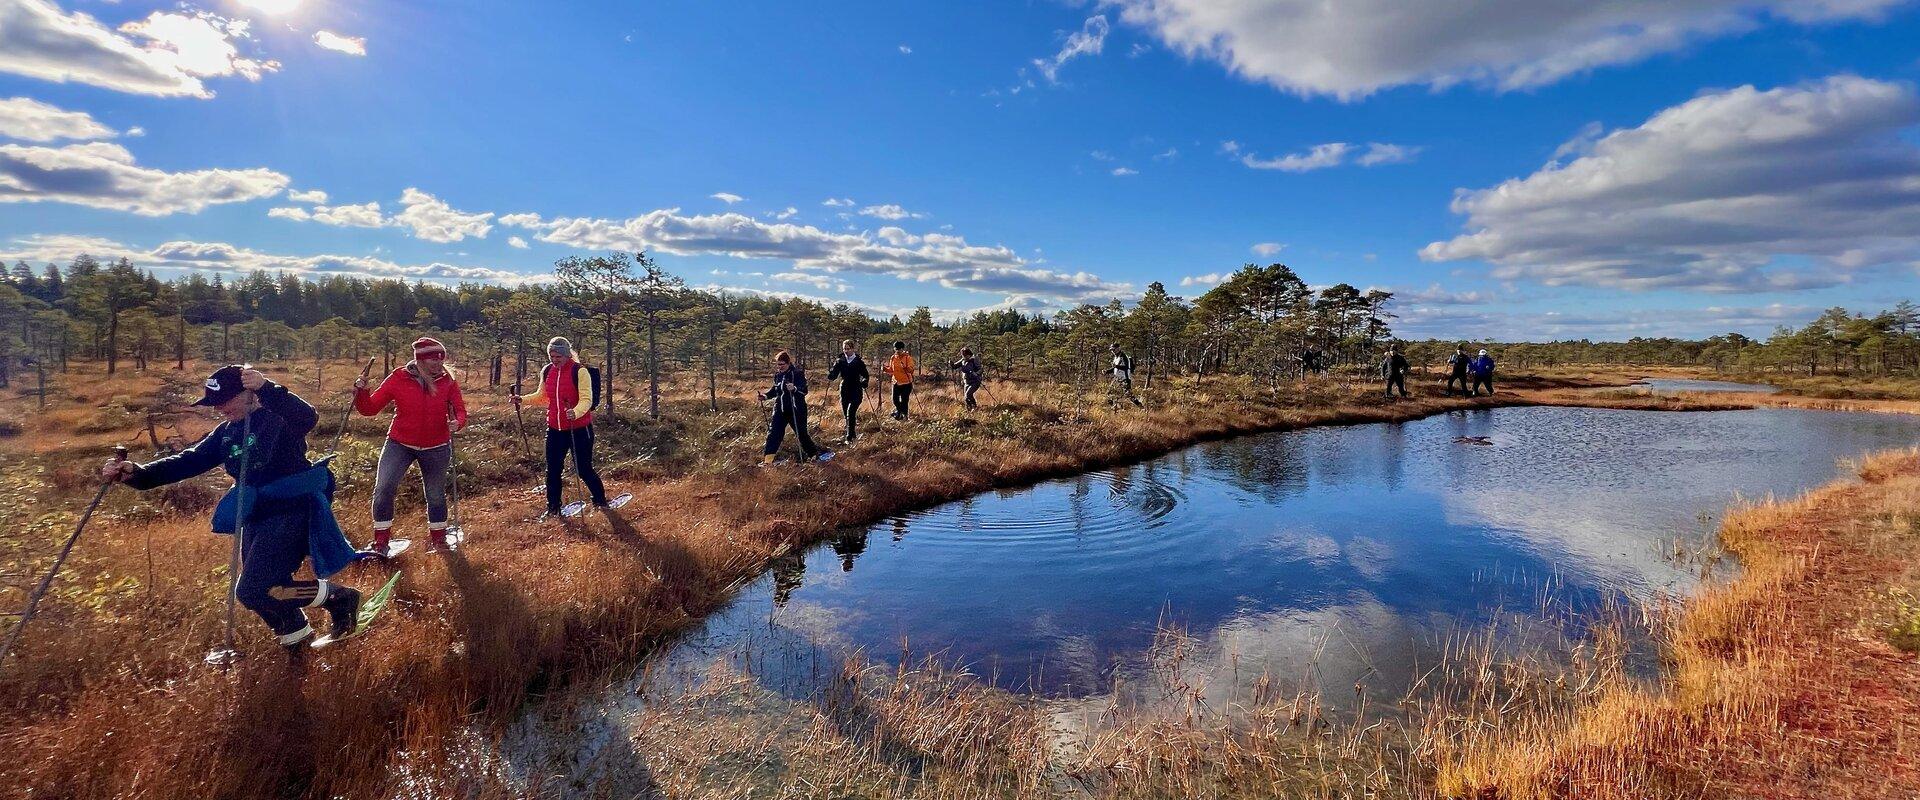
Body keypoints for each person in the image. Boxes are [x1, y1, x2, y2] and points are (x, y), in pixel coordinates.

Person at [101, 365, 361, 661]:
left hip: (292, 510)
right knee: (260, 590)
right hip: (256, 515)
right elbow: (188, 461)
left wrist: (266, 387)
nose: (218, 408)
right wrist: (136, 474)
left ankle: (340, 598)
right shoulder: (226, 432)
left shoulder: (278, 418)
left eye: (224, 400)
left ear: (248, 393)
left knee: (255, 590)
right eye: (213, 402)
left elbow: (307, 416)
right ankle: (298, 643)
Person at [355, 337, 467, 554]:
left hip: (437, 445)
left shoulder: (448, 381)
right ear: (420, 359)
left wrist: (457, 422)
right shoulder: (399, 377)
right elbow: (369, 409)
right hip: (400, 443)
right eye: (433, 358)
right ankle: (380, 542)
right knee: (384, 488)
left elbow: (460, 410)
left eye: (441, 358)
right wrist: (361, 392)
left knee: (435, 494)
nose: (438, 363)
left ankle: (439, 540)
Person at [512, 337, 609, 520]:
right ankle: (553, 508)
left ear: (566, 354)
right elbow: (543, 397)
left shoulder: (579, 371)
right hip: (555, 429)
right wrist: (522, 399)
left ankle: (600, 501)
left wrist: (576, 412)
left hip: (579, 428)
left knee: (583, 468)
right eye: (551, 356)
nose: (554, 360)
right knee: (553, 470)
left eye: (557, 356)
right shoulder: (547, 370)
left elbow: (587, 400)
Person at [758, 350, 827, 464]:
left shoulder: (797, 373)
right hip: (780, 409)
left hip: (796, 409)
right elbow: (775, 390)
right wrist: (765, 396)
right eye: (778, 364)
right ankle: (767, 461)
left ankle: (814, 456)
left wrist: (794, 389)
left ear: (788, 363)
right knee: (774, 434)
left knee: (802, 434)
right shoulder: (778, 375)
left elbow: (804, 390)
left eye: (782, 364)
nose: (779, 367)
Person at [825, 339, 869, 444]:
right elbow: (834, 374)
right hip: (844, 388)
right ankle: (853, 435)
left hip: (856, 388)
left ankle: (849, 437)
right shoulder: (840, 360)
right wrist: (831, 375)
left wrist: (864, 381)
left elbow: (865, 375)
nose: (846, 351)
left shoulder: (858, 361)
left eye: (848, 349)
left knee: (851, 412)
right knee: (846, 414)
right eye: (844, 348)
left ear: (853, 349)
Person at [885, 341, 915, 420]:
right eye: (896, 349)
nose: (897, 351)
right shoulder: (893, 357)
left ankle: (903, 416)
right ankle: (899, 413)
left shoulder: (907, 358)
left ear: (902, 349)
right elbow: (891, 370)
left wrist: (906, 368)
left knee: (904, 401)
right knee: (895, 400)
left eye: (899, 349)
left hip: (906, 383)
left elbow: (911, 370)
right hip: (896, 382)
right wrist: (885, 369)